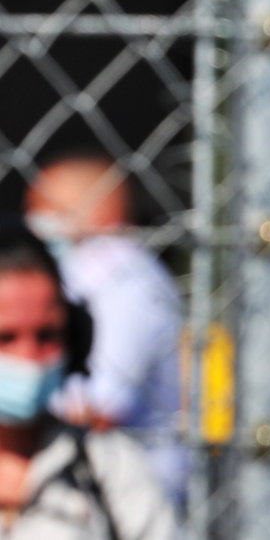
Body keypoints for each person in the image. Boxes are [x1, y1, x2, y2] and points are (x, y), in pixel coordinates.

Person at [21, 152, 185, 504]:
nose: (33, 222)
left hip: (127, 497)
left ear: (99, 209)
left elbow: (97, 409)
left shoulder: (118, 270)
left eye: (46, 208)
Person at [0, 220, 179, 539]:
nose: (28, 357)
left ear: (76, 337)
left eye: (47, 335)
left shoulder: (110, 467)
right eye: (5, 338)